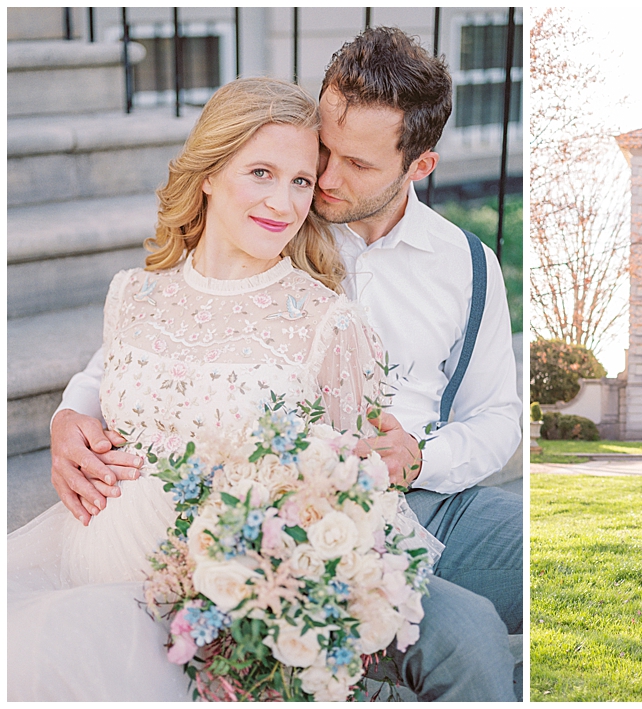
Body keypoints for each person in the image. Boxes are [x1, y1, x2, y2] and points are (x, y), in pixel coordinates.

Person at [44, 28, 521, 701]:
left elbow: (500, 416)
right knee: (464, 639)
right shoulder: (275, 214)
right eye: (322, 150)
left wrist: (415, 461)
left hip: (429, 495)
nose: (322, 179)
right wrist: (72, 409)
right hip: (295, 507)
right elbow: (177, 331)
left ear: (420, 166)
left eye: (354, 164)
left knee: (538, 563)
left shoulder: (465, 264)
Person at [9, 76, 390, 699]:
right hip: (75, 562)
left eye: (300, 181)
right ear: (209, 172)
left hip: (205, 618)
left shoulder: (328, 323)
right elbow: (100, 385)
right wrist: (66, 417)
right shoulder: (132, 293)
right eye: (261, 172)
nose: (284, 202)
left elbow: (355, 498)